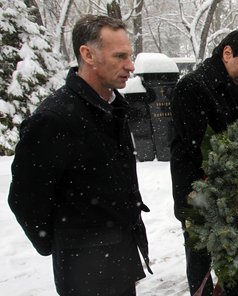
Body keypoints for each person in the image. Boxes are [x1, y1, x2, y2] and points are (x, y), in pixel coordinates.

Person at [8, 15, 151, 296]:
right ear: (88, 54)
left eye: (129, 56)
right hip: (84, 271)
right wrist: (67, 241)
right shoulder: (55, 118)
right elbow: (25, 197)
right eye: (120, 56)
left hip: (118, 256)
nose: (130, 66)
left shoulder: (112, 107)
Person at [170, 28, 238, 295]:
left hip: (229, 191)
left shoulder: (235, 88)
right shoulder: (193, 86)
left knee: (232, 260)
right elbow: (195, 150)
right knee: (200, 260)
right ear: (227, 53)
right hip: (197, 192)